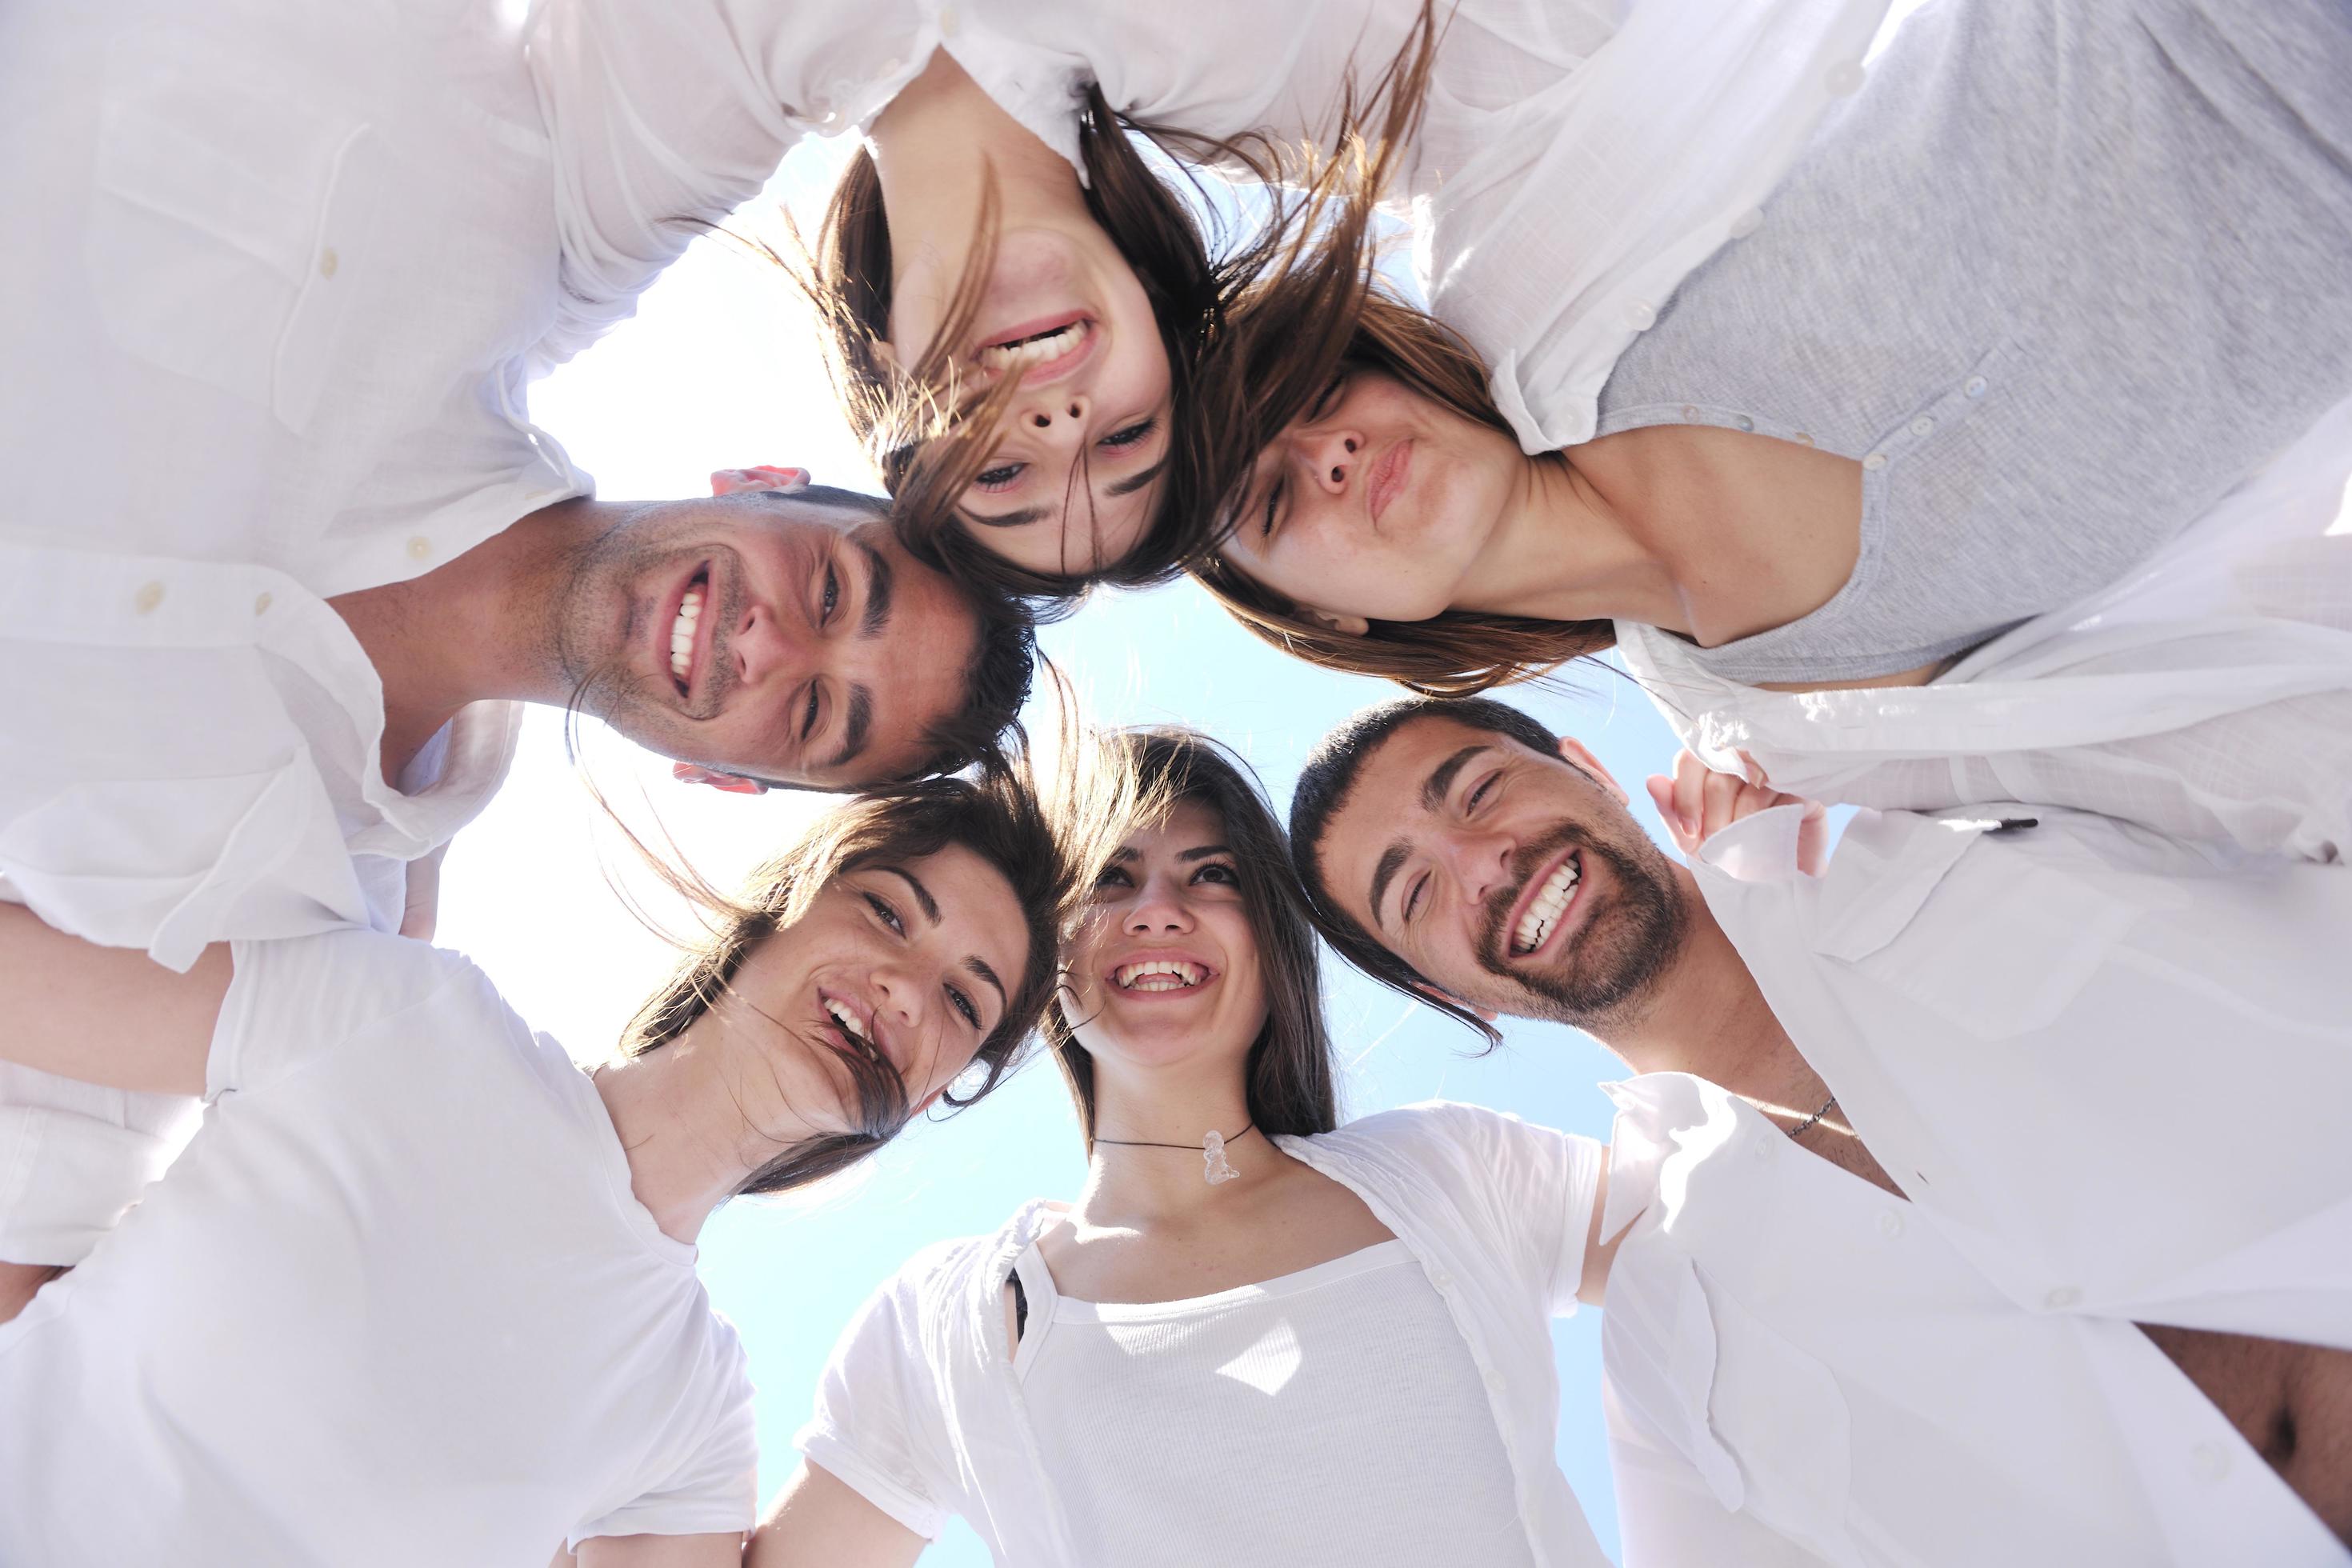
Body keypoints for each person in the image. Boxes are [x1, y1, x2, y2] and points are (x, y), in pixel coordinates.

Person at [0, 0, 1034, 1301]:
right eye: (832, 586)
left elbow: (33, 1239)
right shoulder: (518, 206)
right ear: (764, 475)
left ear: (721, 778)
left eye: (820, 717)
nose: (775, 644)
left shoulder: (293, 931)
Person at [1190, 0, 2352, 855]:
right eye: (1275, 501)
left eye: (1315, 393)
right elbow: (2190, 732)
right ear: (1332, 619)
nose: (1327, 453)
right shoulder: (1775, 728)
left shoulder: (1514, 241)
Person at [1290, 695, 2352, 1560]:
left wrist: (1845, 737)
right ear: (1456, 994)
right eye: (1416, 890)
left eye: (1480, 791)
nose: (1484, 864)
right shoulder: (1664, 1355)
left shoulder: (1961, 839)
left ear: (1589, 768)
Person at [0, 769, 1089, 1566]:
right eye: (889, 912)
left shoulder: (694, 1420)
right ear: (790, 898)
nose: (906, 986)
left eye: (963, 999)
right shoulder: (405, 1014)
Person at [533, 0, 1882, 594]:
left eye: (1004, 479)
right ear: (1172, 356)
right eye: (1126, 443)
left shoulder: (644, 155)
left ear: (897, 403)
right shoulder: (1332, 92)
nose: (1060, 432)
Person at [741, 729, 1617, 1566]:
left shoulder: (1449, 1170)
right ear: (1048, 957)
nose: (1158, 911)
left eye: (1212, 876)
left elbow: (1737, 1213)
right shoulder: (946, 1321)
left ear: (1273, 945)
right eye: (1111, 880)